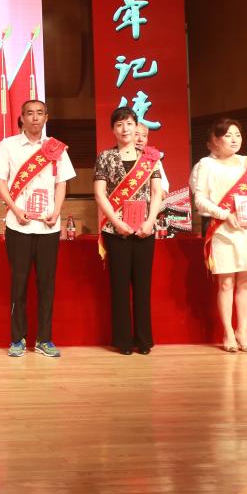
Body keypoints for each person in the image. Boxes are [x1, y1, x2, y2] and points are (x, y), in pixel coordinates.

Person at [0, 100, 75, 358]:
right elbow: (0, 181)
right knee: (19, 283)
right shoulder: (8, 145)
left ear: (46, 117)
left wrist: (57, 210)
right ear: (22, 118)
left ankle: (44, 339)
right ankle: (17, 339)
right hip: (19, 225)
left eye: (39, 113)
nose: (35, 118)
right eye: (29, 113)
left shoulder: (56, 147)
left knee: (47, 285)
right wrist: (15, 209)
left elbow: (61, 183)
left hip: (48, 226)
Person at [192, 118, 247, 353]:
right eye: (228, 135)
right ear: (215, 140)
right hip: (222, 230)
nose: (234, 140)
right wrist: (225, 214)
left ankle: (242, 331)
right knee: (226, 284)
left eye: (238, 135)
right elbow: (200, 199)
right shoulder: (206, 165)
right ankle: (227, 332)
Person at [94, 108, 163, 355]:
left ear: (137, 127)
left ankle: (144, 340)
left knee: (143, 287)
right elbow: (100, 194)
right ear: (113, 129)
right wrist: (116, 222)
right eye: (119, 124)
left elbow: (157, 192)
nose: (125, 129)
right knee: (120, 287)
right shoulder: (105, 157)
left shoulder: (150, 157)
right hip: (116, 230)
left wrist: (150, 221)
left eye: (129, 123)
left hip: (145, 229)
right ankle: (123, 341)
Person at [134, 124, 169, 199]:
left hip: (148, 204)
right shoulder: (115, 158)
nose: (141, 139)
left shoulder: (153, 160)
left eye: (144, 136)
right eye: (136, 134)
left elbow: (163, 193)